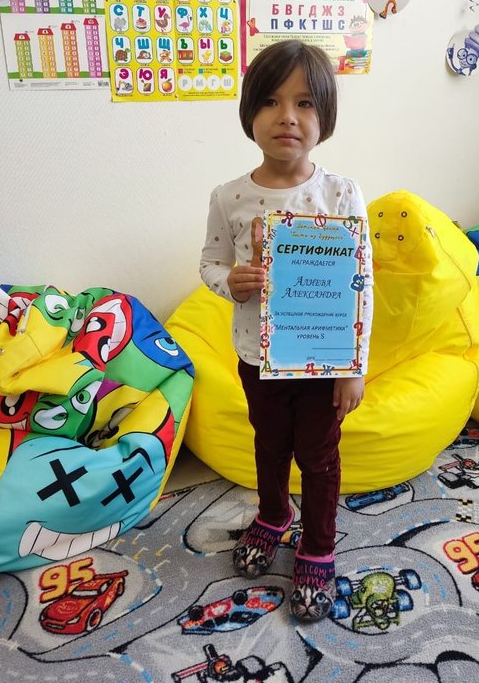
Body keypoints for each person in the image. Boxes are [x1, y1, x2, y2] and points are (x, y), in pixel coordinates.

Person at [199, 39, 373, 622]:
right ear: (250, 112)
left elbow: (362, 285)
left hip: (323, 361)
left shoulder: (341, 193)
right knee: (269, 444)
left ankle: (318, 545)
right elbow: (209, 263)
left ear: (325, 117)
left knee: (319, 458)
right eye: (271, 101)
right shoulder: (229, 196)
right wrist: (231, 282)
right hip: (258, 356)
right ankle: (274, 515)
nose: (287, 117)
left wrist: (354, 367)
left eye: (304, 103)